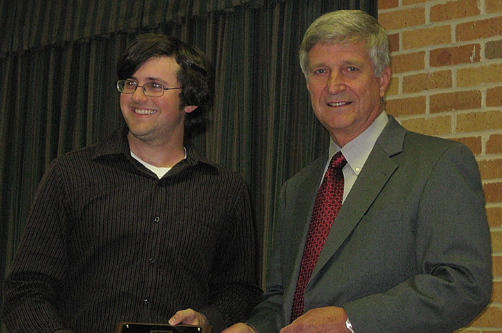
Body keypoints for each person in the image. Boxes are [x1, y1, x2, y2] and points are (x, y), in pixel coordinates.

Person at [223, 9, 492, 333]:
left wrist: (352, 321)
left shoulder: (437, 164)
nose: (334, 85)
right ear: (308, 85)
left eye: (350, 69)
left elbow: (464, 284)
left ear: (382, 80)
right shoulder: (296, 189)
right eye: (321, 71)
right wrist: (253, 328)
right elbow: (283, 299)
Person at [1, 34, 262, 333]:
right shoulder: (70, 174)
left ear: (189, 101)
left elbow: (240, 291)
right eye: (130, 83)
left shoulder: (226, 189)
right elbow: (26, 290)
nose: (137, 96)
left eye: (154, 86)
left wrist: (209, 319)